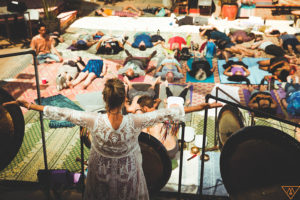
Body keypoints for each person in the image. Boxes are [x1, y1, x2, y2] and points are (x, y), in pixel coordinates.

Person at [3, 78, 223, 200]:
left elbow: (59, 112)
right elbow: (170, 113)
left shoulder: (92, 119)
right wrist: (205, 105)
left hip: (100, 172)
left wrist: (30, 105)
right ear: (125, 99)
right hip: (128, 172)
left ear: (104, 98)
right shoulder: (136, 121)